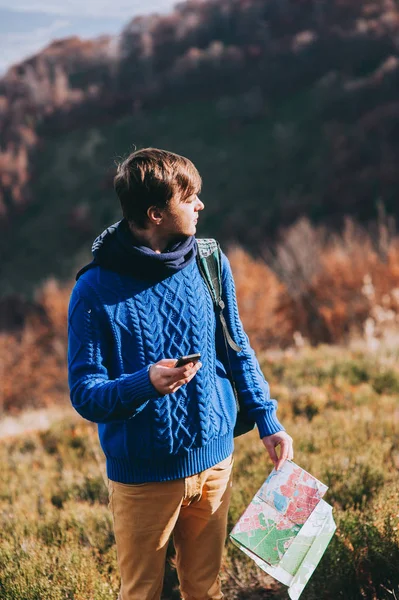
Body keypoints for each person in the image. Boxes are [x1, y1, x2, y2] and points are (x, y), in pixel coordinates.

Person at [68, 147, 294, 600]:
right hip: (142, 478)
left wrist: (268, 421)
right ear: (155, 213)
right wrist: (144, 384)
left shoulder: (209, 262)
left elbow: (236, 350)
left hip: (215, 463)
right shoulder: (93, 289)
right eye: (188, 196)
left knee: (205, 591)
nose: (200, 205)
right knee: (141, 594)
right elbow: (85, 393)